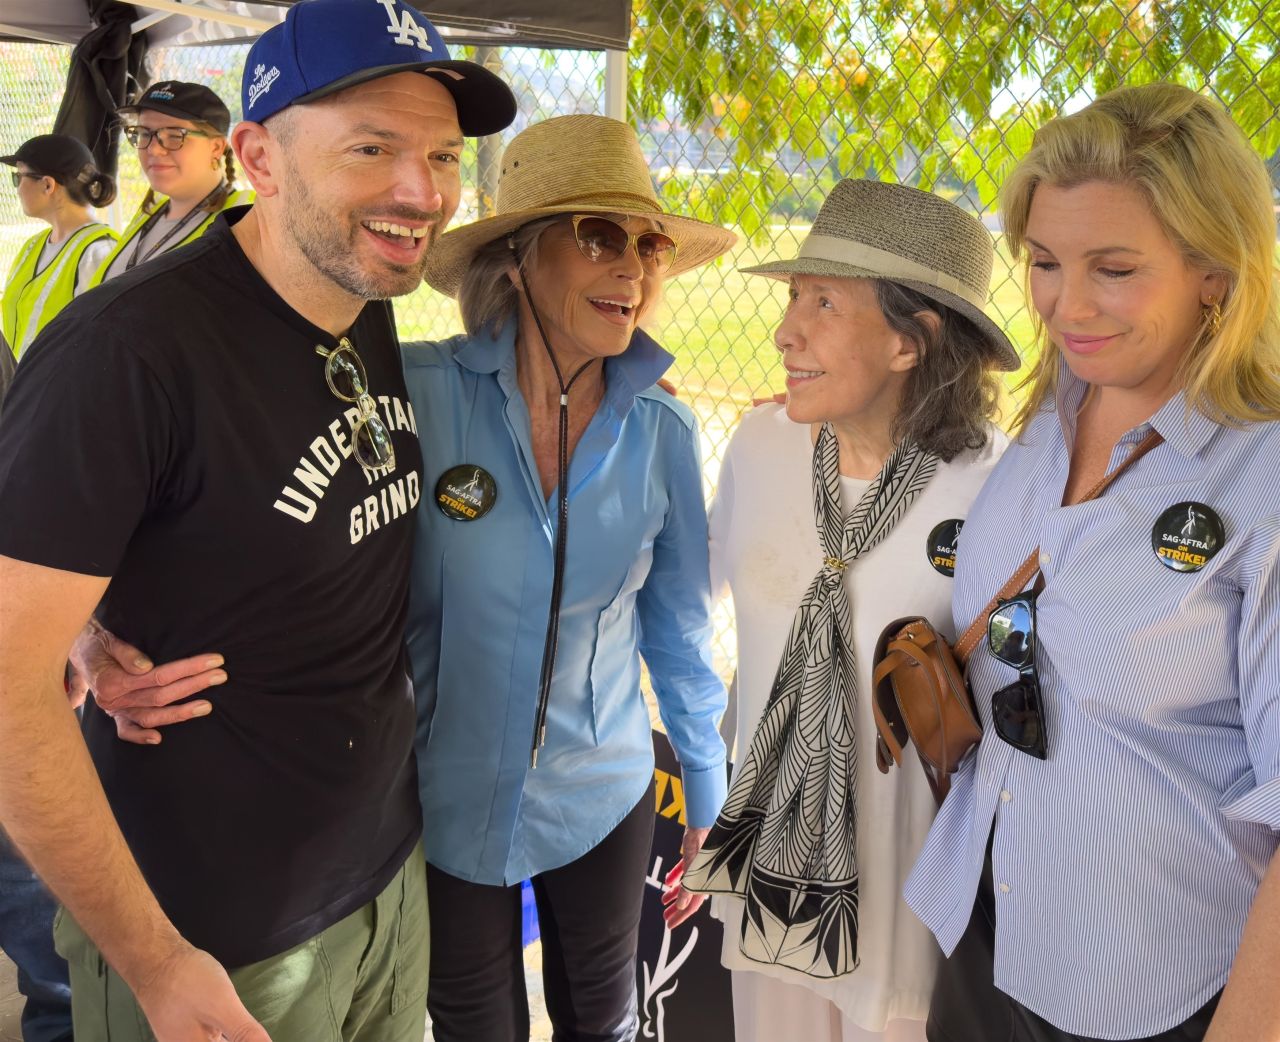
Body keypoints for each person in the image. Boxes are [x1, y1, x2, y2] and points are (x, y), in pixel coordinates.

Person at [0, 3, 514, 1042]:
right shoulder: (128, 354)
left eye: (442, 156)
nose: (421, 192)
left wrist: (94, 624)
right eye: (371, 147)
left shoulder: (357, 293)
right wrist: (156, 963)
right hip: (210, 940)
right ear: (259, 157)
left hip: (377, 885)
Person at [903, 83, 1280, 1042]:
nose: (1067, 307)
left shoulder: (1261, 478)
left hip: (1155, 980)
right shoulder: (1047, 415)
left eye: (1112, 268)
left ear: (1216, 271)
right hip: (991, 924)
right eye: (1042, 262)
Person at [399, 112, 735, 1042]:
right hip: (440, 794)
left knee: (603, 1020)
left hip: (602, 794)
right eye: (598, 236)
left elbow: (675, 630)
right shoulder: (417, 393)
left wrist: (706, 795)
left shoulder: (664, 434)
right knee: (472, 1025)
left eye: (649, 244)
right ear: (516, 258)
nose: (632, 267)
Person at [676, 178, 1016, 1042]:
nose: (785, 330)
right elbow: (679, 600)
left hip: (905, 909)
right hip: (772, 894)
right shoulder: (761, 445)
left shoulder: (1000, 490)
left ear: (914, 340)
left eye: (823, 302)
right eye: (794, 297)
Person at [87, 80, 251, 286]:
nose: (154, 150)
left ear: (216, 147)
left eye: (174, 136)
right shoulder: (149, 213)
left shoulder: (243, 219)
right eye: (145, 134)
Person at [1, 134, 116, 358]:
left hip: (65, 391)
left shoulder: (98, 252)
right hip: (25, 388)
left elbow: (103, 346)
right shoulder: (32, 246)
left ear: (47, 184)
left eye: (19, 177)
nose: (17, 188)